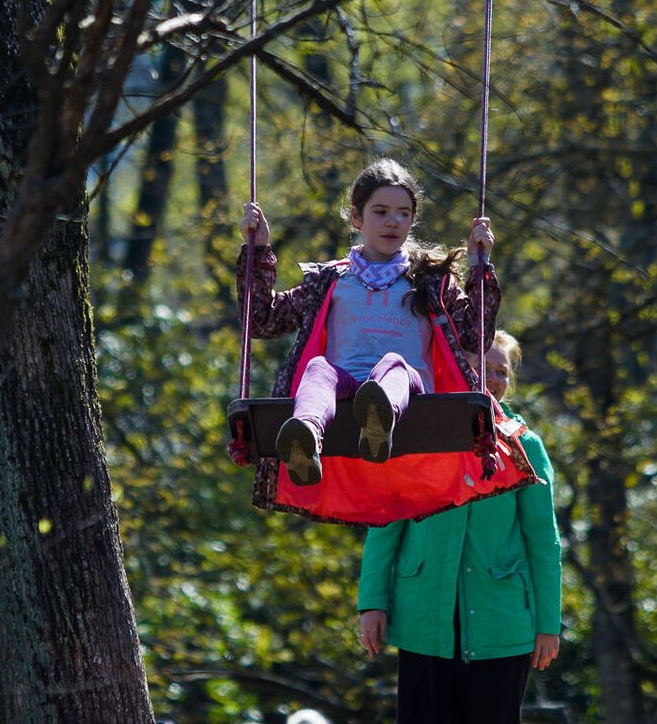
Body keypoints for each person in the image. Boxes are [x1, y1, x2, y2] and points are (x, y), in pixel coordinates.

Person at [238, 158, 497, 485]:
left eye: (403, 214)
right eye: (381, 212)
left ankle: (380, 418)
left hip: (409, 396)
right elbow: (262, 320)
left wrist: (479, 265)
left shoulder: (428, 280)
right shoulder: (331, 281)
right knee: (318, 369)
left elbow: (475, 336)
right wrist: (258, 249)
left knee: (394, 364)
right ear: (356, 217)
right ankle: (306, 434)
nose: (393, 222)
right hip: (345, 394)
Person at [356, 330, 562, 723]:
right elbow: (386, 523)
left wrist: (548, 625)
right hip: (423, 619)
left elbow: (543, 542)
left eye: (501, 371)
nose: (493, 379)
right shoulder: (418, 437)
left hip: (502, 624)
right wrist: (372, 603)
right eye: (482, 368)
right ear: (455, 368)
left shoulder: (525, 446)